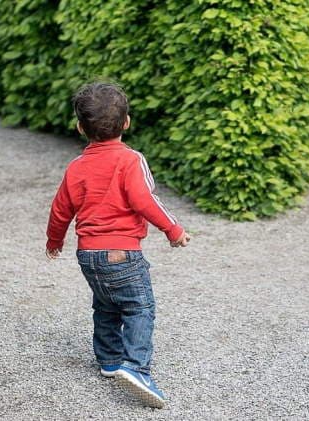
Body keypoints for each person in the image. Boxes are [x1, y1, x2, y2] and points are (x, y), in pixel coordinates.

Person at [45, 82, 190, 408]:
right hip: (122, 252)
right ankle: (136, 367)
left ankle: (109, 360)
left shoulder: (76, 167)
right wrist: (173, 229)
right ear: (127, 123)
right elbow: (145, 200)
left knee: (106, 303)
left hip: (88, 254)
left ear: (80, 127)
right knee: (139, 307)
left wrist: (54, 241)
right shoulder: (130, 160)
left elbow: (60, 210)